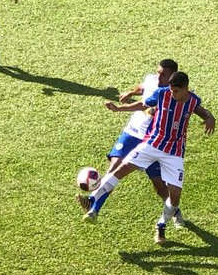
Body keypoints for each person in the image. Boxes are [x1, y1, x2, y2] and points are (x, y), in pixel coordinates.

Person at [84, 72, 216, 245]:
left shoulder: (192, 101)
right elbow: (142, 105)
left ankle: (161, 224)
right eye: (171, 89)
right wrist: (118, 109)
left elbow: (201, 111)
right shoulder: (162, 94)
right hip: (152, 144)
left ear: (185, 89)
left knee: (174, 197)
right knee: (120, 168)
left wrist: (209, 117)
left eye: (176, 91)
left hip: (174, 152)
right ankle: (92, 201)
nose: (172, 94)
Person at [75, 59, 186, 227]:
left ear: (172, 76)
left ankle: (175, 212)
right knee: (115, 167)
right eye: (158, 72)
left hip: (150, 140)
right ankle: (94, 207)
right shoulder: (152, 79)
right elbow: (143, 87)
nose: (159, 76)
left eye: (163, 74)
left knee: (159, 184)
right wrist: (131, 92)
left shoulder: (170, 94)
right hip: (131, 132)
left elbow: (144, 105)